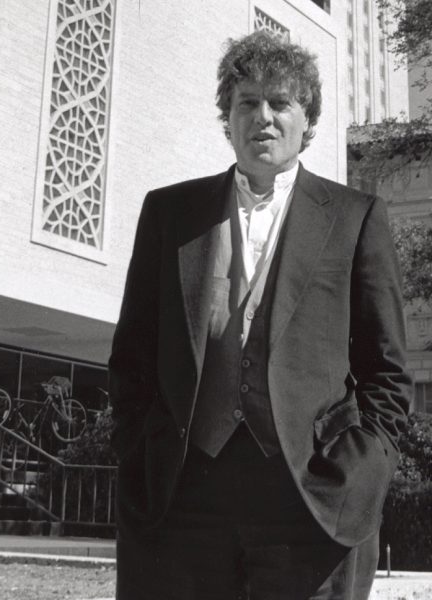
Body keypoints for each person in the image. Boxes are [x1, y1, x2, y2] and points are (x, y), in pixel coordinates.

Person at [108, 31, 412, 600]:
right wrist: (139, 449)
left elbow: (387, 369)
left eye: (280, 103)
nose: (262, 117)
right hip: (184, 494)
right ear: (227, 117)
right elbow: (132, 356)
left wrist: (362, 468)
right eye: (247, 102)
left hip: (311, 495)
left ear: (308, 120)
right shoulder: (170, 212)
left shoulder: (355, 218)